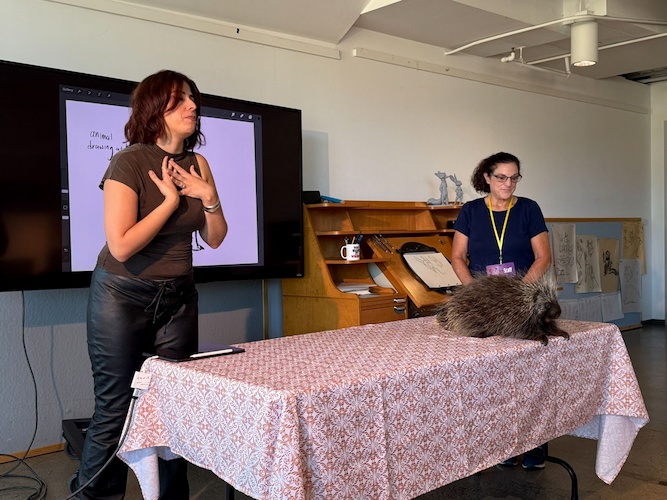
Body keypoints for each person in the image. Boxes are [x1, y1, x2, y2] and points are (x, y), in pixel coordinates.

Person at [73, 70, 228, 499]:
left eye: (193, 99)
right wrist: (171, 202)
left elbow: (215, 237)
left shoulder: (198, 164)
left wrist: (208, 196)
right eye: (181, 100)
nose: (193, 106)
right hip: (121, 295)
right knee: (116, 408)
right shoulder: (128, 162)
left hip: (179, 297)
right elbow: (121, 246)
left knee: (174, 406)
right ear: (155, 108)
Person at [449, 151, 551, 470]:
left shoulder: (529, 209)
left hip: (524, 302)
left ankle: (534, 447)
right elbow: (457, 257)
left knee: (529, 378)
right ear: (487, 178)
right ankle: (501, 446)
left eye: (514, 177)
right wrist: (475, 292)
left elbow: (543, 257)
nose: (508, 183)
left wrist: (519, 294)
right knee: (490, 379)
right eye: (502, 177)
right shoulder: (470, 211)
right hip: (484, 307)